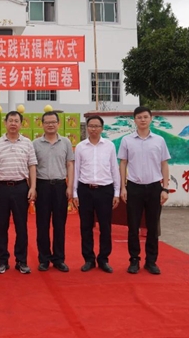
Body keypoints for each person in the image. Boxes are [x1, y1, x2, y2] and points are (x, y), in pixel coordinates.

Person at [118, 107, 171, 275]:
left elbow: (164, 164)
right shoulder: (127, 140)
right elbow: (123, 163)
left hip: (155, 187)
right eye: (139, 117)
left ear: (151, 119)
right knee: (133, 226)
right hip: (134, 187)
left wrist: (165, 188)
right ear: (134, 120)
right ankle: (134, 259)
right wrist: (123, 187)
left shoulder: (159, 140)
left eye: (145, 117)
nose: (142, 120)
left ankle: (151, 261)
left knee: (152, 226)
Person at [0, 111, 37, 274]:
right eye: (10, 121)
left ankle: (21, 261)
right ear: (5, 123)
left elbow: (32, 166)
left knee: (21, 226)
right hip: (1, 188)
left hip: (21, 188)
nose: (13, 124)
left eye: (16, 121)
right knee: (1, 226)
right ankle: (2, 261)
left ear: (21, 124)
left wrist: (33, 187)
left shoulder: (27, 143)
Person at [73, 115, 120, 273]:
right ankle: (89, 259)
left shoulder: (109, 146)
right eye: (91, 126)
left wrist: (117, 192)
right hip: (85, 190)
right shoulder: (81, 147)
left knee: (105, 226)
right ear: (87, 128)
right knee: (85, 226)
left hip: (105, 189)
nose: (93, 129)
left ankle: (103, 259)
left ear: (102, 128)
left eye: (97, 126)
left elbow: (114, 168)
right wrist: (74, 193)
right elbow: (76, 170)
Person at [32, 111, 74, 273]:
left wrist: (70, 186)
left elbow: (70, 164)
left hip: (60, 186)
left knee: (59, 224)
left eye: (53, 122)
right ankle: (44, 259)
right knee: (42, 224)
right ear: (42, 124)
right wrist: (33, 187)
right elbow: (32, 167)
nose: (50, 125)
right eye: (47, 122)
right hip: (42, 186)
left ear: (58, 124)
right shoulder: (35, 144)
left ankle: (59, 259)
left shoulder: (66, 142)